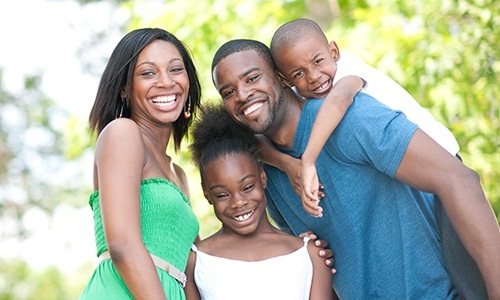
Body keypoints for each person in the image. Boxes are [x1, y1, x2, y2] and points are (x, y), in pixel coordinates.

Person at [210, 38, 500, 299]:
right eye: (229, 91)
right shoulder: (266, 177)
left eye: (252, 78)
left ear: (282, 78)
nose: (243, 94)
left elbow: (460, 179)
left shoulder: (350, 119)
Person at [261, 18, 461, 216]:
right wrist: (285, 163)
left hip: (440, 156)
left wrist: (308, 160)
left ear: (334, 52)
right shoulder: (308, 90)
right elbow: (254, 141)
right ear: (285, 80)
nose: (313, 76)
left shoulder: (347, 69)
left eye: (318, 61)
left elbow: (339, 99)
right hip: (408, 173)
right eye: (298, 74)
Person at [79, 28, 201, 299]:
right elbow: (122, 245)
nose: (166, 82)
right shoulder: (122, 133)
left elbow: (191, 268)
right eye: (148, 73)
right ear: (124, 88)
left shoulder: (178, 174)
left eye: (176, 69)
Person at [184, 105, 334, 300]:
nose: (238, 202)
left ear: (262, 177)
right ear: (206, 194)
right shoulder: (196, 261)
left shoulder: (310, 255)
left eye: (247, 187)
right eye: (222, 194)